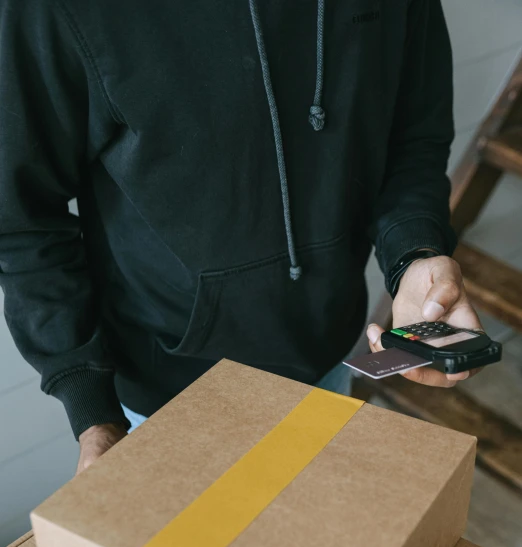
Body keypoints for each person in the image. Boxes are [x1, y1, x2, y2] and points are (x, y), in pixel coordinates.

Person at [0, 0, 481, 475]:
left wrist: (415, 254)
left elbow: (413, 137)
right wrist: (92, 411)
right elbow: (22, 218)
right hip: (165, 397)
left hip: (328, 360)